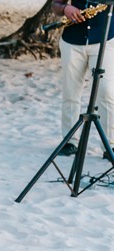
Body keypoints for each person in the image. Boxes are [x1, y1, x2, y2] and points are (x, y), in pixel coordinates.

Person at [52, 0, 114, 159]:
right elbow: (55, 5)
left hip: (105, 39)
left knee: (106, 91)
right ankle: (70, 141)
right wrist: (65, 8)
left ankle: (110, 145)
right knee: (71, 91)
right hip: (72, 40)